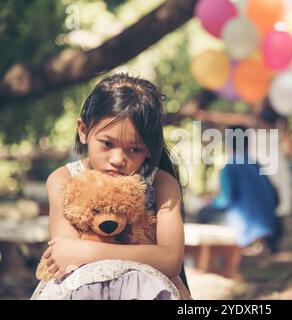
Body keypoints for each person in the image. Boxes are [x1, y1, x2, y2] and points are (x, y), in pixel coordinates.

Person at [31, 73, 191, 300]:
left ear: (149, 150)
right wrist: (147, 255)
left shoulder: (161, 183)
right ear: (84, 131)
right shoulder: (64, 179)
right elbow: (64, 258)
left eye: (134, 149)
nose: (118, 159)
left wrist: (86, 251)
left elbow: (170, 259)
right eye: (107, 144)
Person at [205, 126, 279, 256]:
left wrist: (211, 202)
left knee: (203, 214)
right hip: (268, 224)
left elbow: (226, 200)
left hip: (246, 227)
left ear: (227, 144)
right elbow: (274, 195)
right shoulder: (255, 164)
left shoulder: (230, 167)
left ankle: (217, 257)